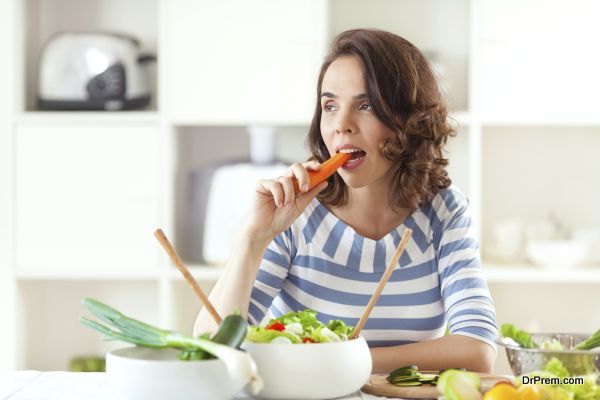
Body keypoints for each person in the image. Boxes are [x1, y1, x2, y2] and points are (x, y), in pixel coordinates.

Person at [194, 28, 497, 373]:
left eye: (366, 105)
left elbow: (477, 350)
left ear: (410, 120)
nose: (341, 125)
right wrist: (254, 238)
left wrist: (342, 361)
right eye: (330, 105)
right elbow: (212, 350)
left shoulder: (444, 211)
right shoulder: (296, 213)